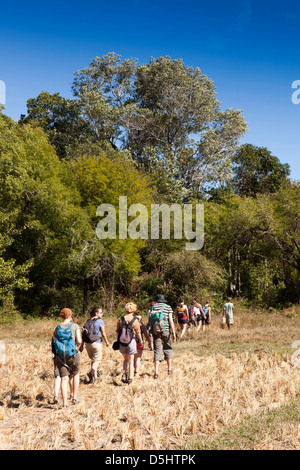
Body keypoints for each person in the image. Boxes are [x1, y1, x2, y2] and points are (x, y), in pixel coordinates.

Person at [52, 308, 82, 408]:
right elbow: (79, 341)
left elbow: (53, 342)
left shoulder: (57, 328)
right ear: (70, 316)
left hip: (60, 356)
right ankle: (74, 397)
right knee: (75, 374)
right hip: (73, 355)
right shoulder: (75, 326)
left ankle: (65, 403)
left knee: (64, 379)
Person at [148, 294, 176, 379]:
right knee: (168, 348)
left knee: (157, 351)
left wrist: (150, 336)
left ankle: (156, 372)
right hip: (166, 330)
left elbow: (149, 322)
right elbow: (171, 321)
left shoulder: (152, 308)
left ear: (156, 300)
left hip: (156, 331)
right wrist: (174, 333)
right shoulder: (168, 307)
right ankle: (169, 369)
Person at [80, 306, 110, 383]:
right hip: (96, 343)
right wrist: (106, 342)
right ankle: (91, 372)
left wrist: (81, 345)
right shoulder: (100, 321)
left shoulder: (87, 321)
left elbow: (83, 333)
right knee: (97, 361)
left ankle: (94, 378)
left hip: (87, 344)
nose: (102, 314)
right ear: (96, 313)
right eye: (101, 312)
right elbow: (103, 333)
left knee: (93, 360)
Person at [116, 302, 143, 384]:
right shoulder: (135, 320)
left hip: (122, 342)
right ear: (133, 310)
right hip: (131, 341)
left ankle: (124, 374)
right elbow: (138, 332)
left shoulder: (120, 319)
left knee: (125, 359)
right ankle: (130, 378)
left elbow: (117, 332)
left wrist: (118, 341)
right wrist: (141, 341)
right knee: (131, 362)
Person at [134, 311, 152, 376]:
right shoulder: (142, 325)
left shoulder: (131, 323)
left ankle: (133, 370)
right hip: (139, 342)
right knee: (138, 357)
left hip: (131, 342)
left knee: (133, 357)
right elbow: (146, 336)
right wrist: (149, 342)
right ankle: (136, 372)